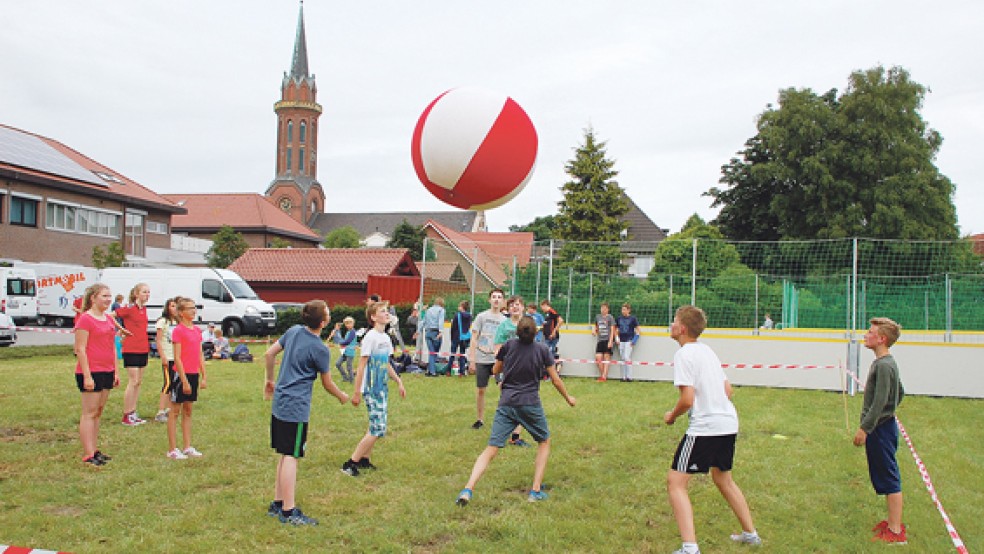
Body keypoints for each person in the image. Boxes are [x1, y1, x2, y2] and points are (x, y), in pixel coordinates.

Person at [663, 305, 760, 554]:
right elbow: (728, 390)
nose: (671, 324)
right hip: (728, 423)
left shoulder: (684, 355)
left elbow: (686, 399)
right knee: (723, 478)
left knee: (675, 482)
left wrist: (671, 416)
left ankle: (689, 548)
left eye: (674, 321)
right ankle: (751, 534)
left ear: (682, 328)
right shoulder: (707, 351)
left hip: (706, 426)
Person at [455, 315, 576, 506]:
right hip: (530, 403)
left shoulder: (508, 346)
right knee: (544, 441)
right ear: (535, 333)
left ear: (517, 331)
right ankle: (535, 491)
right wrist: (568, 398)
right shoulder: (543, 349)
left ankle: (467, 489)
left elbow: (495, 370)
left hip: (507, 404)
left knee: (491, 448)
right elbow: (555, 380)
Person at [263, 300, 350, 526]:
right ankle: (289, 511)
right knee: (292, 455)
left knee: (284, 452)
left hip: (280, 402)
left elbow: (269, 355)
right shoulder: (320, 349)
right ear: (324, 322)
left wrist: (269, 380)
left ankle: (278, 503)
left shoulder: (292, 331)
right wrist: (341, 395)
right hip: (296, 407)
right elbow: (328, 383)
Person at [854, 317, 907, 544]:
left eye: (870, 332)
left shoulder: (884, 365)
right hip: (883, 425)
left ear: (882, 339)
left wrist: (865, 428)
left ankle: (896, 532)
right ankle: (891, 523)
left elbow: (880, 401)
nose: (866, 335)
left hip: (880, 429)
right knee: (884, 474)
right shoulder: (883, 363)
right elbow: (900, 392)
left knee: (889, 476)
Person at [341, 301, 407, 477]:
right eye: (383, 311)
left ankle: (364, 459)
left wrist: (399, 381)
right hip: (370, 389)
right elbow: (361, 366)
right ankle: (350, 463)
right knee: (378, 428)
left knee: (375, 426)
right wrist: (357, 392)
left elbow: (386, 364)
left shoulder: (385, 338)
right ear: (373, 317)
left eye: (387, 311)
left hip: (382, 388)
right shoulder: (370, 337)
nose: (387, 314)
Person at [74, 283, 120, 467]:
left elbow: (112, 347)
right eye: (104, 296)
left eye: (110, 296)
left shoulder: (108, 319)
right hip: (91, 370)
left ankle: (95, 449)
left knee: (98, 412)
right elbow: (80, 348)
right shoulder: (85, 319)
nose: (108, 300)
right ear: (93, 298)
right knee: (89, 412)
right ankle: (88, 453)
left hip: (107, 369)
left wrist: (115, 371)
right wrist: (87, 375)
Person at [167, 297, 207, 460]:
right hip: (180, 374)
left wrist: (204, 375)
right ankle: (172, 448)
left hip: (193, 373)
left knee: (188, 411)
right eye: (190, 308)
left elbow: (199, 353)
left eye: (194, 307)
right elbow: (177, 357)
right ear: (182, 313)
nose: (193, 310)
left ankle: (187, 446)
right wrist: (183, 380)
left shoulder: (197, 331)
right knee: (175, 411)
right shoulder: (178, 331)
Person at [494, 296, 531, 447]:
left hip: (524, 370)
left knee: (522, 403)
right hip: (507, 370)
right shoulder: (504, 326)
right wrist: (501, 369)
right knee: (507, 402)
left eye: (517, 305)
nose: (514, 307)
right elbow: (497, 348)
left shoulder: (528, 325)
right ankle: (501, 433)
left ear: (523, 307)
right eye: (511, 305)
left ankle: (515, 436)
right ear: (508, 309)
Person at [468, 289, 506, 429]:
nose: (496, 300)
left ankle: (504, 419)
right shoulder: (481, 317)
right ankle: (480, 419)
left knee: (504, 388)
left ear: (503, 301)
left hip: (498, 359)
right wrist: (472, 359)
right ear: (489, 300)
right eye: (494, 297)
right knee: (481, 390)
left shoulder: (504, 320)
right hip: (482, 357)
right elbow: (474, 338)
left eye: (499, 297)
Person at [116, 283, 151, 426]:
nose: (147, 295)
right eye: (144, 292)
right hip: (131, 348)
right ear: (136, 294)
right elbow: (111, 315)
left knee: (138, 382)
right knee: (133, 380)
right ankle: (126, 414)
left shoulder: (144, 309)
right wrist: (121, 329)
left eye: (148, 292)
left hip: (143, 347)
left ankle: (133, 411)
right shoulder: (130, 308)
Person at [153, 298, 179, 423]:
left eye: (176, 306)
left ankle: (169, 408)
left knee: (174, 383)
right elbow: (158, 340)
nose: (174, 308)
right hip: (167, 356)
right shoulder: (163, 322)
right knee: (167, 383)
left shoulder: (177, 322)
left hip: (176, 357)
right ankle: (160, 410)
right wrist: (162, 356)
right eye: (172, 306)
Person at [442, 301, 472, 376]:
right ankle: (461, 371)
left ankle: (448, 370)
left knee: (452, 354)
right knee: (462, 354)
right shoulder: (470, 316)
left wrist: (451, 337)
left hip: (456, 336)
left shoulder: (457, 315)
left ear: (462, 307)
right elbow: (468, 326)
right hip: (464, 337)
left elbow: (453, 327)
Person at [615, 303, 641, 382]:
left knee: (627, 357)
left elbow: (638, 330)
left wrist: (634, 340)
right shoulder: (619, 318)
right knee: (622, 358)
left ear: (628, 310)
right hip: (621, 340)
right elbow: (616, 329)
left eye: (625, 309)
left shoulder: (633, 319)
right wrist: (616, 338)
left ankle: (629, 377)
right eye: (622, 309)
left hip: (629, 340)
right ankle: (623, 376)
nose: (623, 311)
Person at [593, 302, 616, 382]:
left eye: (605, 308)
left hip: (607, 339)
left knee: (606, 357)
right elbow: (596, 326)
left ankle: (604, 376)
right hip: (600, 340)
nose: (603, 310)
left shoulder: (610, 317)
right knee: (598, 357)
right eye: (602, 308)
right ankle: (602, 374)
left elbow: (613, 329)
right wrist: (595, 330)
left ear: (608, 309)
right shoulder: (598, 317)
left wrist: (610, 341)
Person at [422, 297, 446, 376]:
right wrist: (441, 331)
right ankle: (433, 371)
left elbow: (424, 321)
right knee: (434, 352)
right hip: (436, 332)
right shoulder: (441, 310)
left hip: (428, 332)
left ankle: (430, 370)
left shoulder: (428, 310)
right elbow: (440, 321)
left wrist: (418, 331)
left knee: (431, 352)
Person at [332, 317, 357, 382]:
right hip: (345, 352)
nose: (348, 325)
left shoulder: (353, 332)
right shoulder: (348, 332)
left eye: (349, 323)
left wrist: (340, 342)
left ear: (353, 324)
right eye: (346, 324)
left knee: (349, 367)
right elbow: (345, 340)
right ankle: (345, 378)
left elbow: (348, 341)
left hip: (350, 352)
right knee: (338, 364)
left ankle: (351, 380)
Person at [540, 299, 563, 364]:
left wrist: (554, 332)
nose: (542, 309)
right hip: (547, 336)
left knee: (549, 351)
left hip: (552, 336)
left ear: (545, 305)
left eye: (542, 307)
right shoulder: (547, 314)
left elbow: (560, 320)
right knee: (546, 351)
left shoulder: (552, 312)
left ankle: (552, 366)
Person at [111, 293, 124, 360]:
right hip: (117, 323)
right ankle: (118, 354)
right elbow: (119, 314)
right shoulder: (116, 305)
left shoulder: (114, 304)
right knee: (117, 337)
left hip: (117, 322)